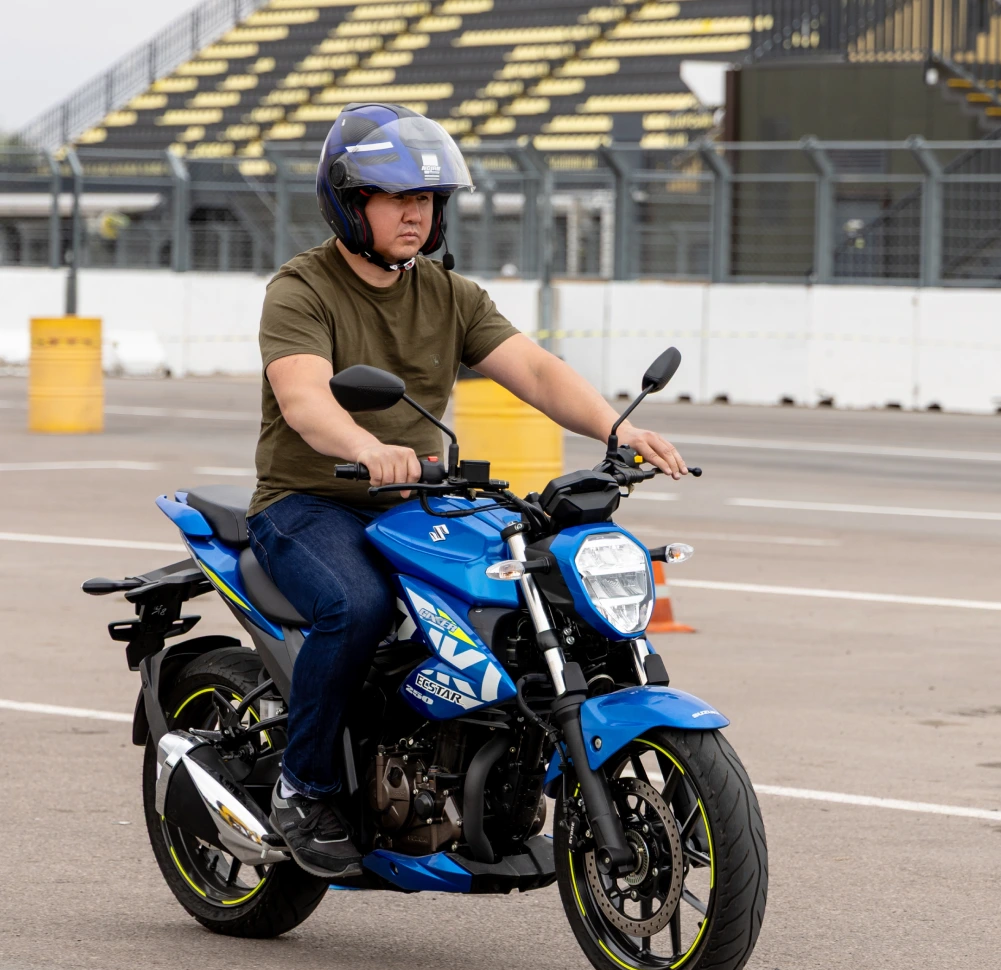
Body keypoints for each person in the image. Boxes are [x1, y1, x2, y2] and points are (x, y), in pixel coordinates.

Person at [247, 102, 687, 879]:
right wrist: (367, 448)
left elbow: (536, 370)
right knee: (357, 606)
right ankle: (303, 787)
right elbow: (305, 398)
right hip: (310, 502)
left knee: (528, 588)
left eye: (426, 199)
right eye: (396, 198)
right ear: (350, 205)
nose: (414, 214)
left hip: (419, 501)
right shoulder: (301, 289)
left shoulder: (450, 295)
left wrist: (616, 430)